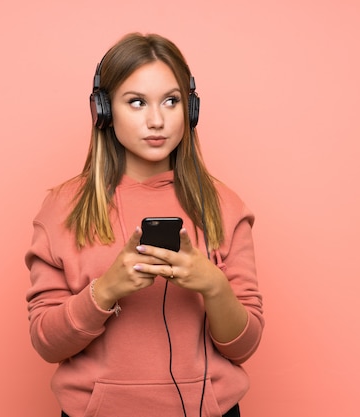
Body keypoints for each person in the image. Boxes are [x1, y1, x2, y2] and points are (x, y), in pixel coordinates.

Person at [25, 32, 264, 417]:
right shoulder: (63, 208)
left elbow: (243, 346)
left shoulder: (225, 206)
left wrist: (213, 285)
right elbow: (46, 343)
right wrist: (104, 292)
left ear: (190, 110)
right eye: (136, 102)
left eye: (171, 101)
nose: (156, 120)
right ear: (103, 111)